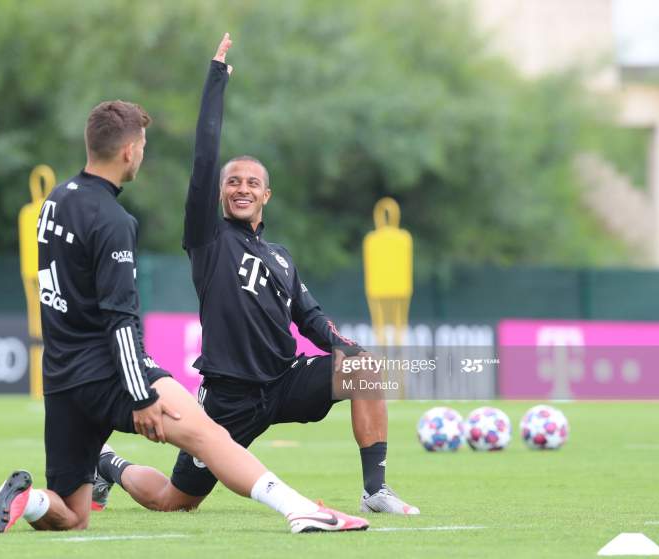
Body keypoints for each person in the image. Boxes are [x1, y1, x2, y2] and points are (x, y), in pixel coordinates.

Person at [0, 69, 368, 535]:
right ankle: (299, 509)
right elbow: (121, 320)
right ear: (128, 151)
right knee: (210, 436)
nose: (142, 153)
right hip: (111, 371)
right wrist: (141, 394)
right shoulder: (114, 220)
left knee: (71, 515)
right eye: (142, 145)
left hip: (61, 378)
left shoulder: (56, 201)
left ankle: (33, 499)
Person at [94, 33, 419, 516]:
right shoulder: (208, 239)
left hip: (283, 381)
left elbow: (310, 317)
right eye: (233, 182)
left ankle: (376, 490)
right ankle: (109, 466)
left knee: (365, 370)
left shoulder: (281, 256)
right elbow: (204, 158)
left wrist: (344, 347)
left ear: (266, 196)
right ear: (221, 193)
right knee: (174, 502)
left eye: (252, 183)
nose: (241, 188)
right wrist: (216, 80)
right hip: (229, 397)